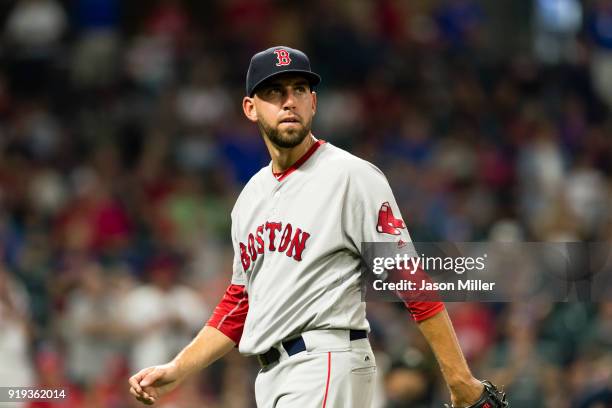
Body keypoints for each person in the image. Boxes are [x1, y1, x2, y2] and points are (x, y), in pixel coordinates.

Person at [129, 46, 500, 407]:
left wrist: (458, 379)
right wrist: (179, 368)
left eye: (299, 90)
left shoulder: (350, 176)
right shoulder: (250, 198)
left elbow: (409, 278)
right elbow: (240, 302)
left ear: (314, 103)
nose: (289, 101)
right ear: (250, 108)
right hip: (273, 378)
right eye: (274, 92)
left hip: (325, 361)